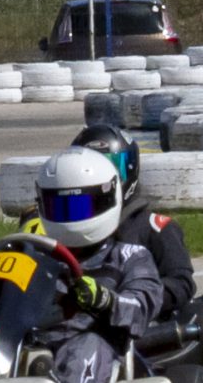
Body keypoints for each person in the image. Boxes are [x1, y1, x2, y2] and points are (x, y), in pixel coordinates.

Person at [26, 147, 167, 383]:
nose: (68, 219)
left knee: (87, 345)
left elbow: (142, 307)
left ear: (107, 200)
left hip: (94, 346)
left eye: (78, 207)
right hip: (32, 344)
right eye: (59, 208)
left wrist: (105, 300)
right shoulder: (35, 257)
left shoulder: (128, 256)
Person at [71, 121, 196, 316]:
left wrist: (122, 300)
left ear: (129, 170)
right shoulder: (63, 228)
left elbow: (181, 284)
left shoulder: (154, 228)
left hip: (133, 322)